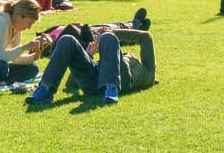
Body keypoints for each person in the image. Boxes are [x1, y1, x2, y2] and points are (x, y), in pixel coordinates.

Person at [27, 23, 155, 106]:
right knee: (67, 40)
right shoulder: (108, 58)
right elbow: (71, 84)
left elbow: (146, 37)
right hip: (93, 83)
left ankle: (112, 88)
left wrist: (112, 32)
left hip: (122, 81)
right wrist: (88, 55)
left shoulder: (148, 74)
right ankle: (45, 89)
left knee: (108, 38)